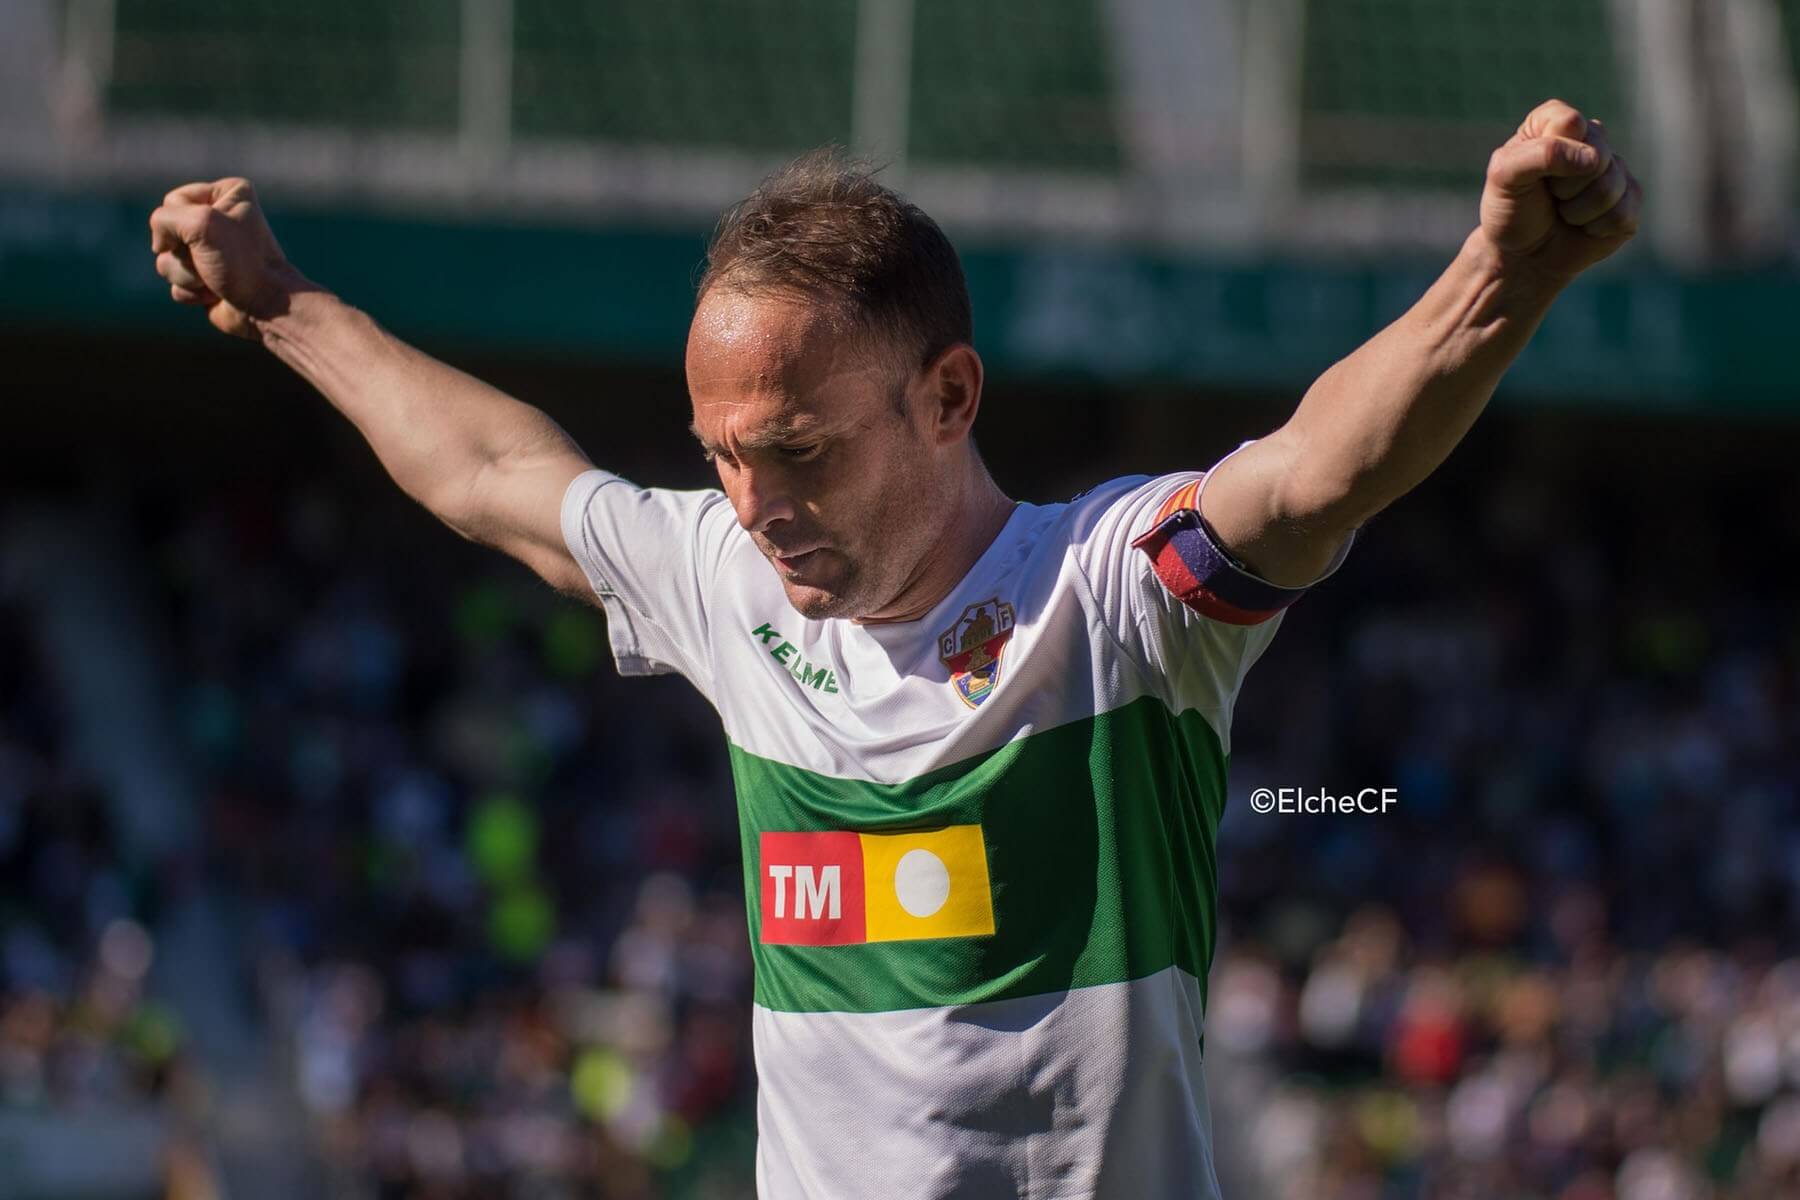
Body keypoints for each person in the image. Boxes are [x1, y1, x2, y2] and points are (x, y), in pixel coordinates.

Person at [147, 98, 1641, 1199]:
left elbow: (1316, 470)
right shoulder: (723, 582)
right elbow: (489, 473)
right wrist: (284, 308)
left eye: (796, 450)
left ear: (947, 396)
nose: (755, 505)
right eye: (722, 455)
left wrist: (1500, 278)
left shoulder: (1114, 595)